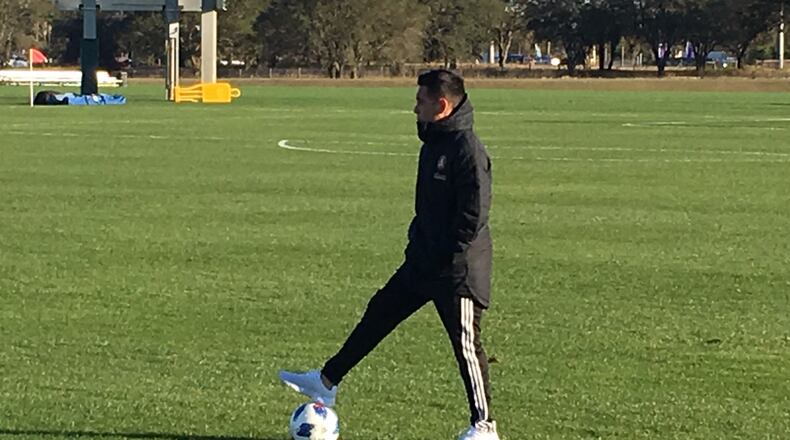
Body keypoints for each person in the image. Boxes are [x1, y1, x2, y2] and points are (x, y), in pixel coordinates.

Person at [279, 69, 498, 440]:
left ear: (441, 105)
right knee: (380, 312)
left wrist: (448, 259)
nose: (414, 108)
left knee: (466, 347)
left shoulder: (467, 151)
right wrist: (418, 245)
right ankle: (326, 381)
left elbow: (473, 217)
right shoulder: (433, 143)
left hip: (456, 271)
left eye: (420, 101)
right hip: (423, 262)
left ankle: (485, 426)